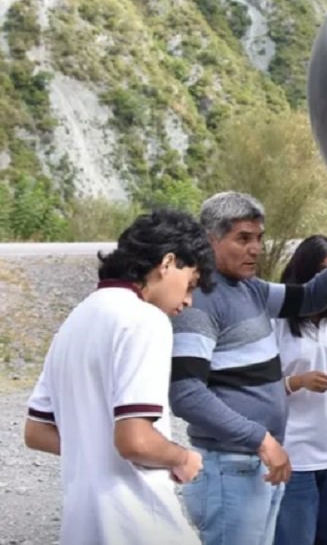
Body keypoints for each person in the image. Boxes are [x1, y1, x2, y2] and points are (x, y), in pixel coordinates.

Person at [170, 192, 327, 545]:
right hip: (231, 468)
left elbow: (311, 298)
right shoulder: (200, 303)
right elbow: (186, 395)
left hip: (257, 464)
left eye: (258, 238)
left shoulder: (249, 289)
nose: (255, 248)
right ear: (209, 239)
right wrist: (259, 438)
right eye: (243, 238)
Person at [24, 209, 215, 545]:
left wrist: (93, 449)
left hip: (82, 529)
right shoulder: (144, 320)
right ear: (167, 263)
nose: (187, 300)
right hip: (140, 526)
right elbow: (135, 440)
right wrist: (182, 457)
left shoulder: (76, 319)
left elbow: (37, 431)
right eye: (191, 284)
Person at [273, 236, 327, 545]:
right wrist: (298, 381)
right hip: (294, 453)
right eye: (322, 272)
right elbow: (254, 389)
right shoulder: (276, 322)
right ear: (304, 273)